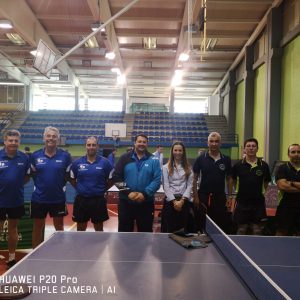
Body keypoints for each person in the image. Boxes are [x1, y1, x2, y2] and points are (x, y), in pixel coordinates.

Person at [30, 126, 72, 248]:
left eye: (54, 136)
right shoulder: (35, 156)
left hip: (58, 199)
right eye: (48, 136)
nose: (51, 138)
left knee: (59, 228)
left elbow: (67, 176)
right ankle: (35, 254)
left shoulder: (65, 156)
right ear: (44, 138)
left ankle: (60, 252)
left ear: (58, 139)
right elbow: (33, 174)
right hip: (39, 199)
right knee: (37, 227)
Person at [113, 134, 161, 232]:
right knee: (124, 234)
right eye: (139, 141)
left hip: (146, 203)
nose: (141, 144)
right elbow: (116, 177)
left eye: (144, 142)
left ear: (147, 144)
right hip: (126, 202)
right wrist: (128, 192)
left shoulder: (154, 159)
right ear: (135, 143)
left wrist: (144, 194)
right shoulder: (124, 158)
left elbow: (157, 180)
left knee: (145, 234)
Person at [0, 130, 30, 268]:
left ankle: (11, 258)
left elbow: (26, 177)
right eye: (10, 140)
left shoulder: (24, 158)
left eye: (16, 140)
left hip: (16, 200)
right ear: (5, 141)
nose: (13, 143)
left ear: (19, 142)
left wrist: (14, 185)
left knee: (13, 229)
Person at [229, 138, 271, 235]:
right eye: (248, 146)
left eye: (253, 146)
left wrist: (264, 194)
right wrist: (234, 194)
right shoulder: (238, 165)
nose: (251, 148)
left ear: (257, 149)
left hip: (258, 202)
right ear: (244, 149)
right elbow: (233, 180)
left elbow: (266, 182)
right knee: (241, 229)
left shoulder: (264, 165)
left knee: (257, 230)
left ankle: (257, 250)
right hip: (242, 202)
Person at [70, 136, 112, 231]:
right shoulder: (77, 163)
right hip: (81, 200)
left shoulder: (105, 163)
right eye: (89, 145)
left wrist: (102, 189)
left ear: (97, 146)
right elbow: (72, 179)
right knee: (80, 229)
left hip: (98, 200)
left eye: (94, 145)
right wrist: (80, 188)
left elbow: (111, 180)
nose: (91, 147)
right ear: (85, 146)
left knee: (99, 229)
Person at [192, 132, 232, 233]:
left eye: (217, 141)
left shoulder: (226, 159)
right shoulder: (200, 158)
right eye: (211, 141)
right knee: (201, 224)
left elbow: (229, 179)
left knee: (218, 225)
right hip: (203, 197)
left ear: (220, 143)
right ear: (207, 143)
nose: (214, 144)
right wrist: (195, 197)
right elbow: (194, 178)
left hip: (220, 197)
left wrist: (230, 196)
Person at [161, 141, 193, 233]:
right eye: (175, 150)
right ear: (172, 151)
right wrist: (174, 202)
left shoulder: (189, 168)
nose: (178, 152)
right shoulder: (165, 167)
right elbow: (166, 186)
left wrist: (182, 201)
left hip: (184, 202)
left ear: (183, 152)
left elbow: (189, 185)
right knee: (169, 229)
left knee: (183, 229)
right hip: (170, 202)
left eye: (180, 150)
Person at [275, 144, 300, 236]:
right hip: (285, 208)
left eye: (298, 152)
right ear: (288, 154)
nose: (296, 154)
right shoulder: (283, 168)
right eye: (293, 152)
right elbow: (282, 186)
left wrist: (291, 183)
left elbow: (286, 185)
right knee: (281, 233)